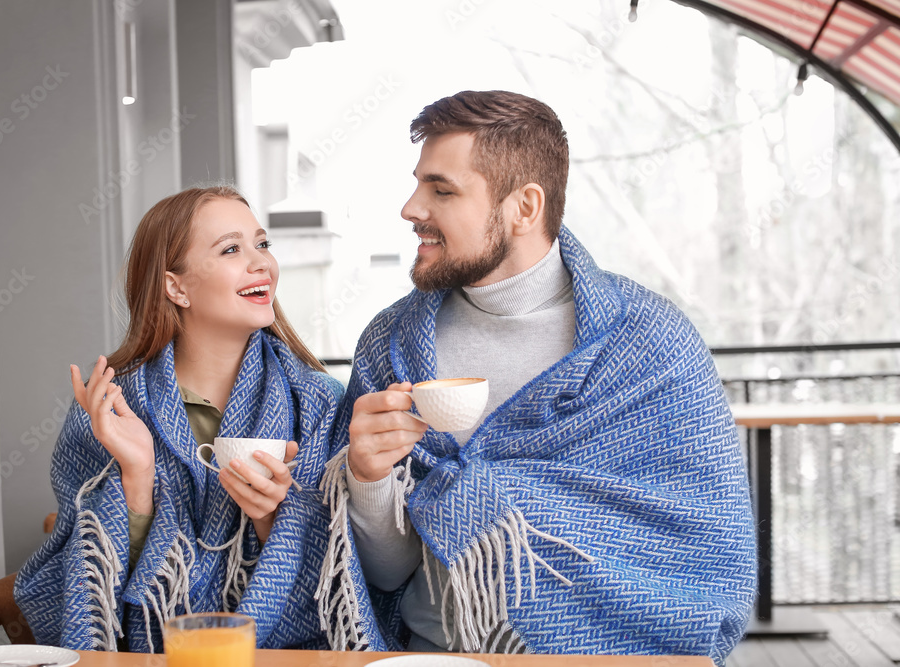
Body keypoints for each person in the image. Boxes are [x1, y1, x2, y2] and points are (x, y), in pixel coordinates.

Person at [318, 91, 756, 663]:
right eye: (418, 184)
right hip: (431, 657)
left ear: (524, 207)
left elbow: (706, 554)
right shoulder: (391, 344)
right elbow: (385, 577)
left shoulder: (650, 342)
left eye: (441, 190)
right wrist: (369, 479)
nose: (411, 208)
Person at [14, 185, 343, 652]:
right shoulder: (110, 405)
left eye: (262, 244)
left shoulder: (318, 401)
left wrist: (275, 518)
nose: (261, 263)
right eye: (232, 249)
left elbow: (349, 576)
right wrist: (137, 477)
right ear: (175, 286)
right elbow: (73, 581)